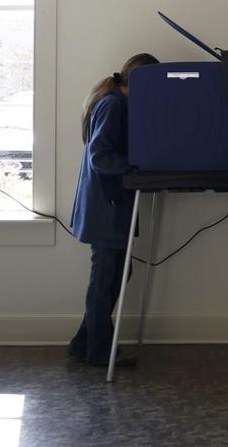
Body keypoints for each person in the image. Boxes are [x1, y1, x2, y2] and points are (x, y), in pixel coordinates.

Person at [67, 53, 160, 368]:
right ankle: (98, 352)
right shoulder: (113, 105)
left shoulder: (115, 102)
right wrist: (136, 168)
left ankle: (83, 343)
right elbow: (100, 156)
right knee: (107, 276)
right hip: (106, 206)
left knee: (115, 274)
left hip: (108, 204)